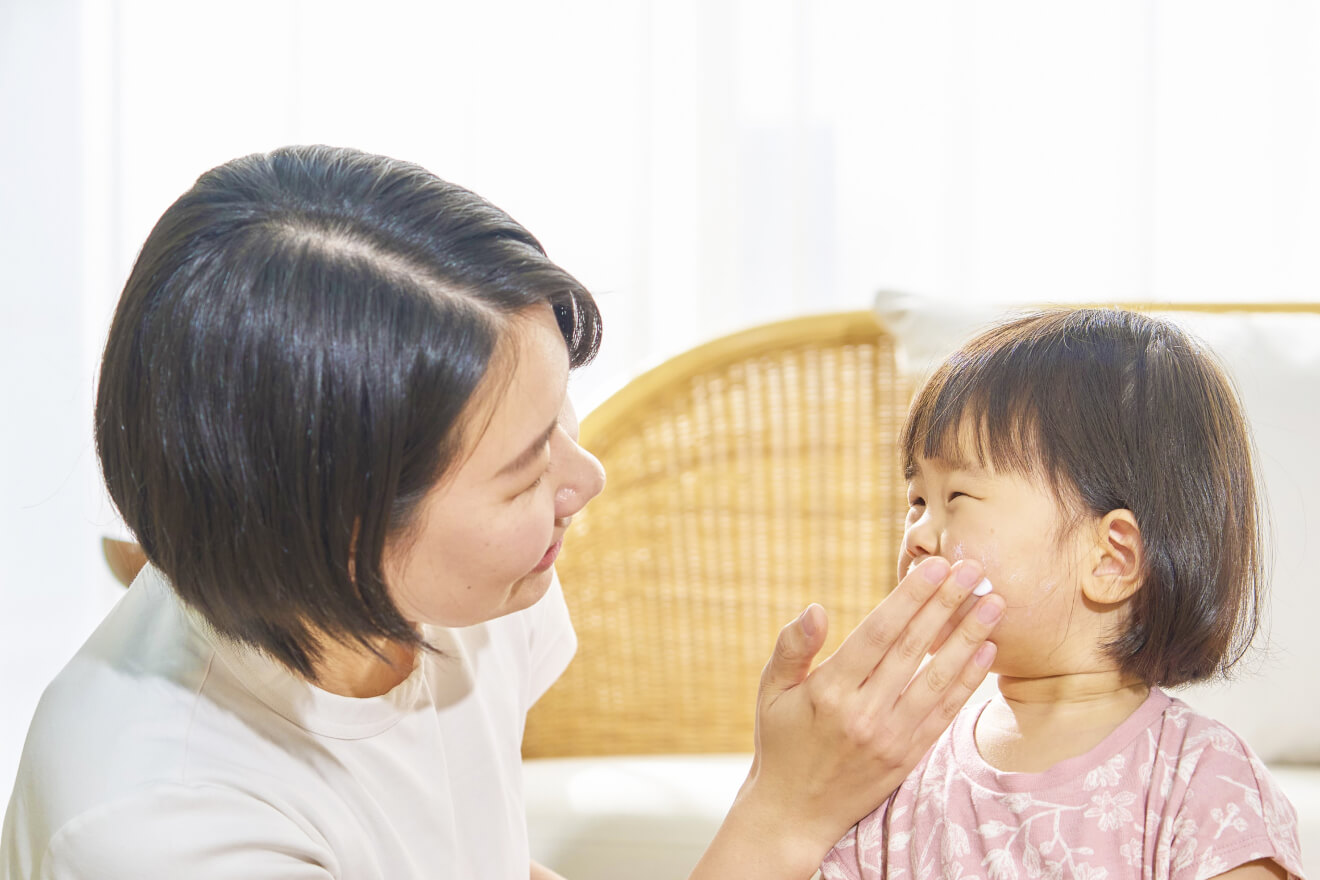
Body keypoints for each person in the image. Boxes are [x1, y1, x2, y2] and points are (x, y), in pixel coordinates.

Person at [1, 145, 1006, 880]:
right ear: (342, 529)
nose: (588, 479)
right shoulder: (159, 827)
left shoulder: (464, 594)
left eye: (559, 417)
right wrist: (786, 815)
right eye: (525, 472)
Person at [821, 309, 1307, 880]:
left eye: (956, 496)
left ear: (1110, 558)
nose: (918, 535)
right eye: (917, 501)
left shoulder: (1200, 782)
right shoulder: (901, 769)